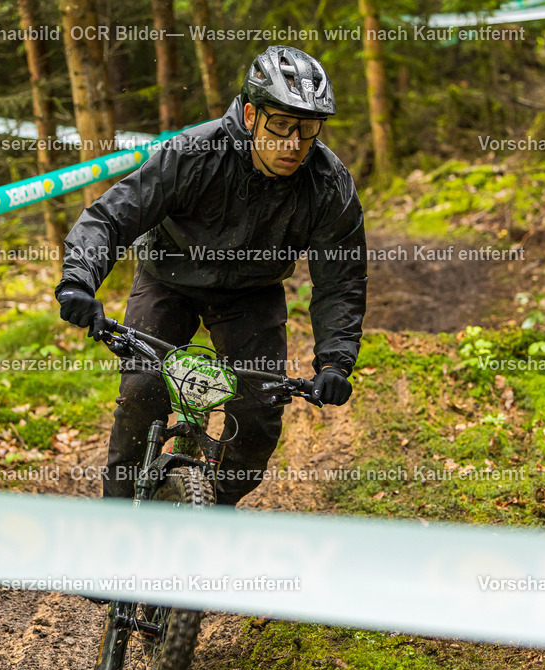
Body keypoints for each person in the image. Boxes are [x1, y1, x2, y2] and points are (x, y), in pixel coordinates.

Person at [55, 45, 367, 506]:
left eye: (308, 130)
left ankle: (205, 513)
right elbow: (113, 217)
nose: (293, 143)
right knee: (143, 395)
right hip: (168, 280)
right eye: (281, 125)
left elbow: (340, 277)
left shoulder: (326, 182)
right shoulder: (193, 154)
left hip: (252, 295)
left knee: (259, 418)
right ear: (249, 115)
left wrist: (336, 361)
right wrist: (79, 281)